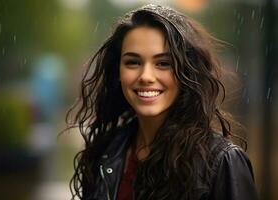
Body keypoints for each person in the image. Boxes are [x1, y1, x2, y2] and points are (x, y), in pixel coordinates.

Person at [66, 4, 258, 200]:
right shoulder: (106, 153)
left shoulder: (221, 162)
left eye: (163, 64)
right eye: (133, 62)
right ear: (118, 72)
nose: (146, 76)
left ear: (187, 72)